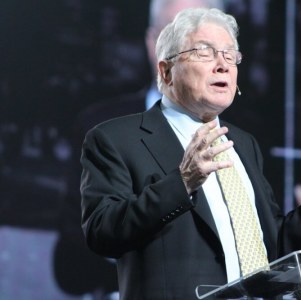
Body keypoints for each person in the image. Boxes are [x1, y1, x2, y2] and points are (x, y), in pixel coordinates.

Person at [80, 7, 301, 299]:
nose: (222, 64)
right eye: (205, 52)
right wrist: (181, 183)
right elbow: (103, 233)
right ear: (166, 70)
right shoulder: (116, 139)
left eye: (230, 55)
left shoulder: (244, 143)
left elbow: (271, 248)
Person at [53, 1, 225, 298]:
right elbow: (75, 247)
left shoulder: (246, 139)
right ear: (151, 44)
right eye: (176, 35)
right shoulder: (101, 128)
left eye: (204, 42)